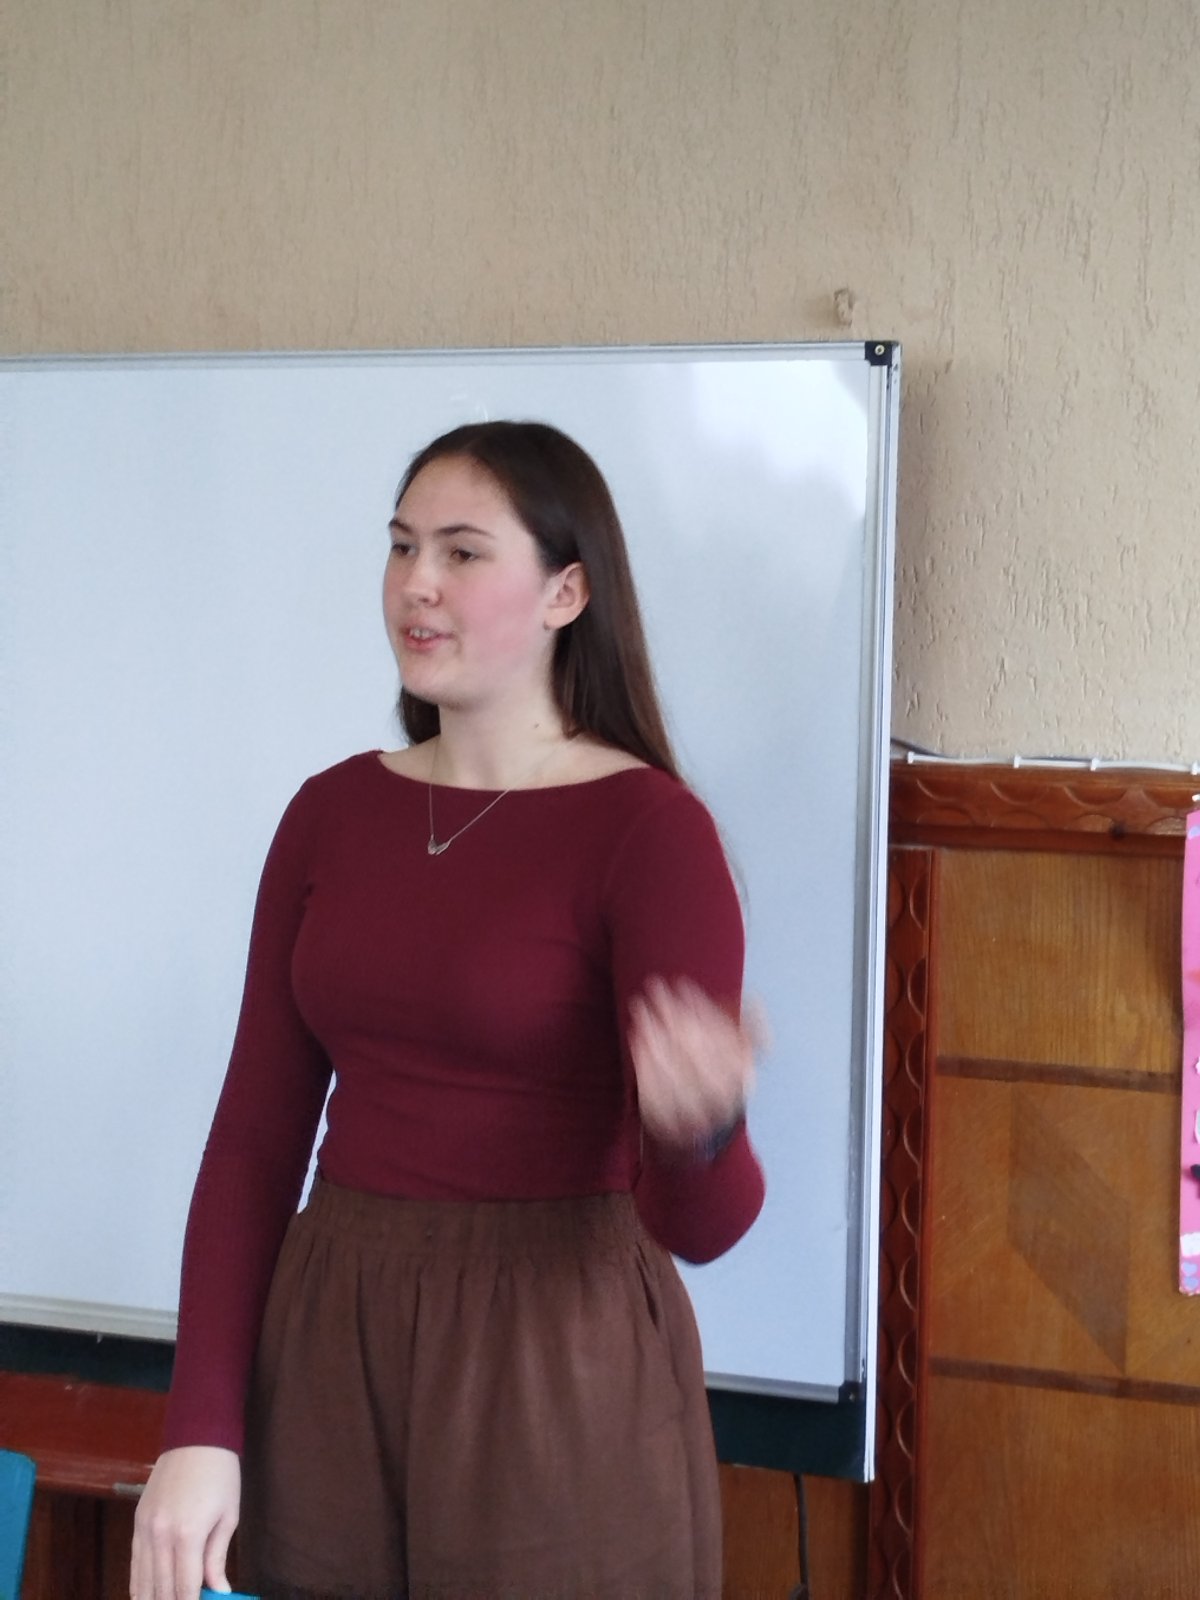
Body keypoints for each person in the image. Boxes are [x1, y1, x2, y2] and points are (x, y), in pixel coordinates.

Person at [130, 420, 766, 1600]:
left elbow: (707, 1224)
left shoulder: (650, 830)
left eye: (463, 552)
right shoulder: (329, 814)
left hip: (557, 1364)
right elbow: (254, 1141)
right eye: (402, 546)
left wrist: (703, 1127)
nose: (416, 583)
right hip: (330, 1342)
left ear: (567, 592)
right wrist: (200, 1428)